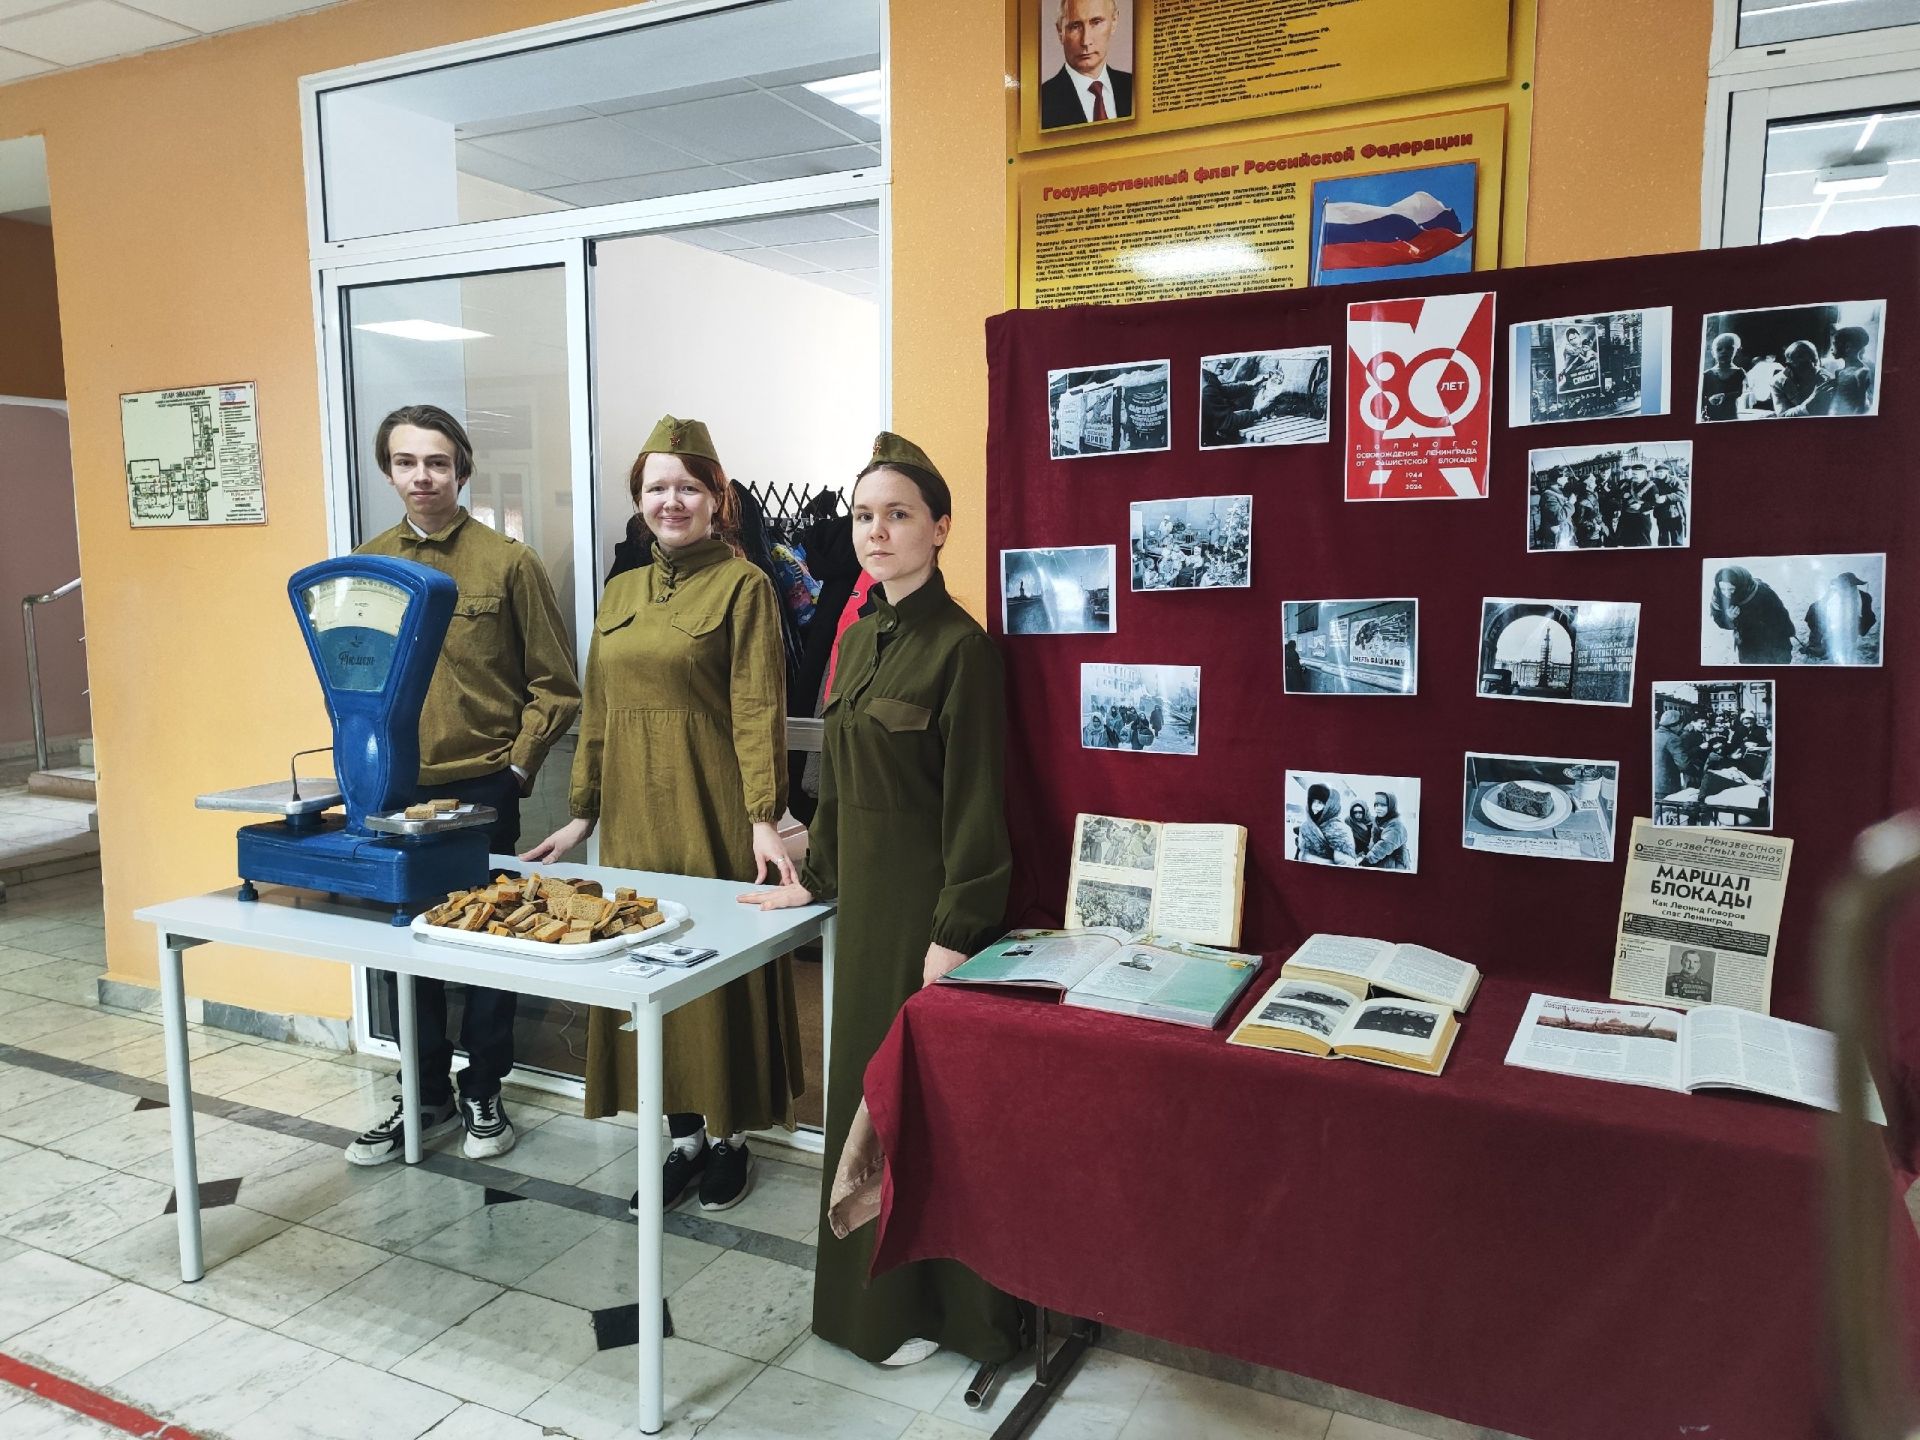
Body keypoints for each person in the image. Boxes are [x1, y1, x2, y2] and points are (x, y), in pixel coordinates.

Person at [740, 431, 1024, 1371]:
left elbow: (980, 805)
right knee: (864, 1089)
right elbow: (841, 787)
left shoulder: (963, 651)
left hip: (925, 918)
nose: (876, 532)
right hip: (861, 916)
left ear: (941, 528)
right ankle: (867, 1306)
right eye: (864, 517)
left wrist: (957, 933)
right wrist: (810, 879)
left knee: (925, 1108)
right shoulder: (858, 639)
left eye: (899, 515)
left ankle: (941, 1312)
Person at [521, 415, 803, 1215]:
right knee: (646, 959)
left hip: (712, 809)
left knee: (718, 970)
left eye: (687, 486)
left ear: (718, 497)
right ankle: (681, 1139)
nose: (671, 501)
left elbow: (757, 707)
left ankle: (731, 1140)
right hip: (635, 821)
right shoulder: (620, 592)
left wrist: (761, 814)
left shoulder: (745, 586)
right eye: (656, 488)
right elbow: (601, 711)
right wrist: (582, 814)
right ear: (638, 500)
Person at [347, 404, 581, 1166]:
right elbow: (353, 677)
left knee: (488, 942)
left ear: (462, 469)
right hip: (395, 792)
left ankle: (485, 1087)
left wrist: (516, 768)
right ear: (390, 471)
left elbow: (557, 685)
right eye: (408, 462)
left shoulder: (508, 564)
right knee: (405, 945)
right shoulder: (368, 565)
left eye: (438, 462)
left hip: (483, 789)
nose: (423, 477)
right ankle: (424, 1095)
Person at [1039, 0, 1133, 128]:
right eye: (1075, 26)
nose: (1086, 41)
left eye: (1096, 22)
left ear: (1114, 22)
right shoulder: (1039, 103)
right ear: (1060, 31)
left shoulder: (1137, 88)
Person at [1710, 565, 1796, 664]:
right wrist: (1729, 618)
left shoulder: (1762, 592)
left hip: (1771, 635)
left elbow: (1781, 614)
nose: (1727, 593)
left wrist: (1789, 631)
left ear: (1740, 584)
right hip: (1747, 640)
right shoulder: (1718, 597)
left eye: (1731, 589)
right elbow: (1719, 619)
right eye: (1723, 589)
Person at [1803, 570, 1877, 664]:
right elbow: (1819, 604)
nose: (1842, 588)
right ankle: (1815, 644)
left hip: (1850, 627)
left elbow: (1869, 618)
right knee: (1815, 612)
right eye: (1841, 585)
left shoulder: (1864, 597)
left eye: (1846, 585)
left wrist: (1857, 625)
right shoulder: (1833, 593)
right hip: (1832, 622)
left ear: (1853, 585)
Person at [1296, 784, 1355, 865]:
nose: (1315, 805)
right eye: (1313, 801)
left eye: (1320, 802)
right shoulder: (1305, 827)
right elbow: (1300, 853)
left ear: (1330, 806)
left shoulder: (1340, 829)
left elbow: (1346, 863)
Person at [1772, 339, 1831, 418]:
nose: (1813, 367)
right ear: (1788, 365)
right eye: (1804, 364)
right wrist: (1809, 404)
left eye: (1815, 361)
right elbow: (1782, 416)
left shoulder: (1826, 379)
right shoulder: (1778, 382)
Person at [1828, 324, 1876, 415]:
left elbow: (1861, 406)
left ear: (1847, 347)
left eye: (1834, 344)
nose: (1831, 349)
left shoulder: (1861, 372)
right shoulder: (1839, 372)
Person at [1700, 332, 1746, 421]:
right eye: (1719, 349)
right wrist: (1708, 401)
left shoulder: (1739, 372)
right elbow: (1701, 397)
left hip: (1731, 415)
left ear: (1737, 351)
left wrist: (1724, 396)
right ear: (1713, 353)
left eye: (1729, 348)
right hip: (1711, 417)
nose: (1724, 351)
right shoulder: (1707, 374)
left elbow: (1740, 392)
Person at [1359, 792, 1410, 870]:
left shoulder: (1396, 825)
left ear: (1390, 806)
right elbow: (1373, 841)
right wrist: (1367, 852)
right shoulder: (1379, 821)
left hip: (1395, 865)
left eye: (1383, 805)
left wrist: (1367, 860)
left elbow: (1385, 845)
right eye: (1376, 805)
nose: (1378, 808)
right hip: (1381, 860)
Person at [1653, 709, 1690, 800]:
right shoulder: (1673, 739)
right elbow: (1683, 764)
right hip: (1666, 787)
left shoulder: (1652, 734)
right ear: (1678, 725)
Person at [1652, 463, 1686, 546]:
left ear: (1667, 471)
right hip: (1660, 514)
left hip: (1674, 514)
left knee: (1677, 540)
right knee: (1663, 539)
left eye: (1661, 472)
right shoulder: (1654, 482)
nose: (1659, 474)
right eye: (1657, 472)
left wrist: (1666, 497)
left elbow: (1682, 495)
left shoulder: (1675, 481)